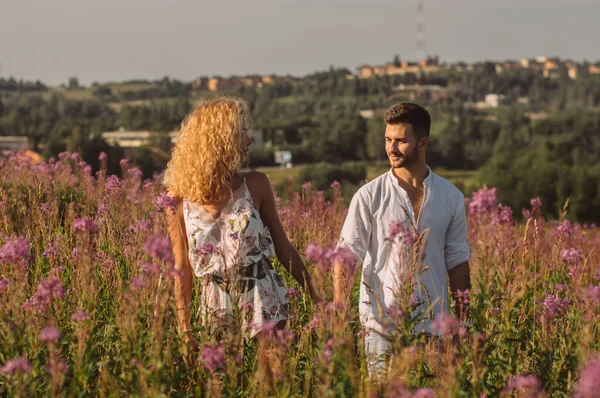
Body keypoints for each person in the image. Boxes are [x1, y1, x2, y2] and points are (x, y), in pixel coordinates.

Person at [164, 97, 320, 350]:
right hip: (214, 305)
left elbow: (283, 247)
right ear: (218, 141)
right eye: (241, 133)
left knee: (273, 383)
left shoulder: (256, 184)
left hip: (263, 297)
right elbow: (181, 267)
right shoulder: (176, 199)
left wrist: (318, 299)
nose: (248, 141)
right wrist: (185, 330)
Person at [332, 103, 471, 377]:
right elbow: (345, 257)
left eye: (400, 141)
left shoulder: (451, 196)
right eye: (388, 139)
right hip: (382, 328)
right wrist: (338, 315)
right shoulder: (368, 196)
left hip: (434, 329)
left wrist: (461, 324)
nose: (391, 148)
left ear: (423, 143)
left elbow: (457, 261)